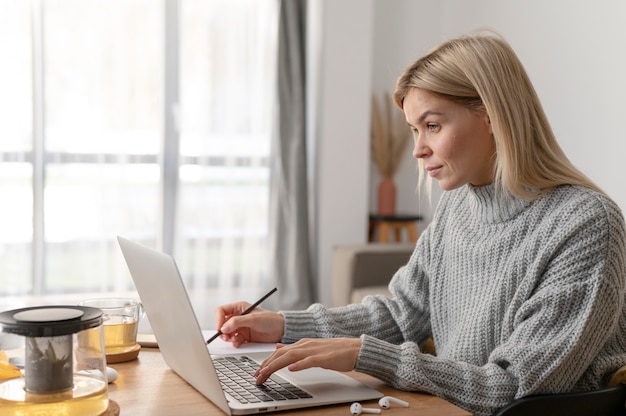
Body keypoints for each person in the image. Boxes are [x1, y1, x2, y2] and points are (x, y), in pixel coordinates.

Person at [215, 31, 626, 415]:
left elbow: (513, 386)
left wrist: (365, 354)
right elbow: (401, 315)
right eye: (414, 130)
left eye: (432, 125)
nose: (417, 149)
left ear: (491, 115)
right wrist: (282, 325)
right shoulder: (457, 206)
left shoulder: (585, 224)